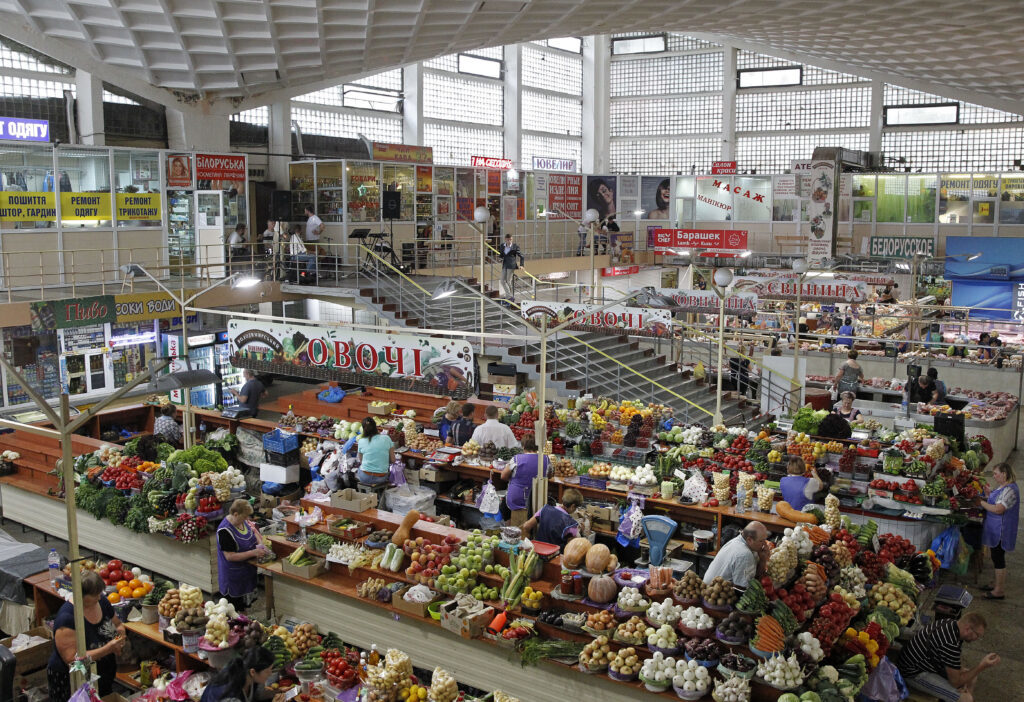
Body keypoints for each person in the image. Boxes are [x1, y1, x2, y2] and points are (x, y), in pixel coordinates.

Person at [47, 571, 126, 701]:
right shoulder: (67, 619)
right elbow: (72, 659)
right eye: (95, 595)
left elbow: (118, 625)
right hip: (73, 683)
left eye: (100, 593)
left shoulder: (102, 602)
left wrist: (119, 640)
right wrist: (108, 648)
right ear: (80, 595)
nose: (99, 598)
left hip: (102, 676)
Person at [897, 612, 997, 702]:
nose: (977, 639)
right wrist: (982, 665)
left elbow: (954, 657)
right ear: (967, 629)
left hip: (927, 663)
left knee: (971, 678)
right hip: (913, 673)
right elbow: (956, 683)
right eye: (977, 635)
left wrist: (962, 677)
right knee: (966, 699)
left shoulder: (950, 623)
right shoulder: (949, 643)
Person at [216, 498, 269, 611]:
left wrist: (261, 545)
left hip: (246, 573)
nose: (247, 519)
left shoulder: (242, 521)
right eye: (245, 517)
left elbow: (254, 532)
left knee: (244, 608)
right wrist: (253, 552)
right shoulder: (225, 531)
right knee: (233, 610)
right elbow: (229, 556)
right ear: (236, 514)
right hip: (233, 577)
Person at [978, 462, 1018, 600]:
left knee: (998, 557)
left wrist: (981, 503)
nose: (994, 476)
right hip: (995, 527)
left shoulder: (1010, 490)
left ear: (1004, 474)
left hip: (1002, 529)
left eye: (996, 474)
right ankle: (996, 582)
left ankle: (999, 590)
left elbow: (999, 509)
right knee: (996, 556)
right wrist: (988, 495)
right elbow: (996, 501)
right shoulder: (1003, 487)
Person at [200, 646, 286, 702]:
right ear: (253, 672)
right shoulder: (231, 695)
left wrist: (278, 692)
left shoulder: (248, 674)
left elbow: (259, 695)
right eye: (268, 671)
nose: (270, 674)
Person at [500, 434, 550, 526]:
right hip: (537, 498)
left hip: (516, 498)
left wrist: (513, 479)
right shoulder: (546, 459)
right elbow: (549, 475)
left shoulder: (516, 459)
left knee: (503, 507)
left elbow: (503, 476)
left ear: (523, 446)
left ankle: (509, 528)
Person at [702, 522, 769, 588]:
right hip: (712, 594)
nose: (764, 545)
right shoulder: (745, 555)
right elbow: (745, 590)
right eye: (761, 541)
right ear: (749, 540)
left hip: (708, 588)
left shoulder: (736, 541)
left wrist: (762, 559)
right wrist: (763, 561)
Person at [356, 416, 394, 485]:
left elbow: (361, 461)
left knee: (358, 469)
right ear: (375, 427)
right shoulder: (386, 438)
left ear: (363, 429)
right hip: (381, 477)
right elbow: (393, 460)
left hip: (365, 477)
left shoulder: (361, 441)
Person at [500, 233, 524, 299]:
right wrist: (500, 258)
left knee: (508, 281)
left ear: (512, 239)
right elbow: (501, 254)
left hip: (511, 265)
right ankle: (509, 295)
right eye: (508, 240)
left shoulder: (515, 246)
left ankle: (509, 295)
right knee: (502, 281)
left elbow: (522, 256)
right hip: (504, 265)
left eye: (510, 240)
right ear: (505, 240)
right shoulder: (502, 245)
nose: (509, 241)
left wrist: (521, 265)